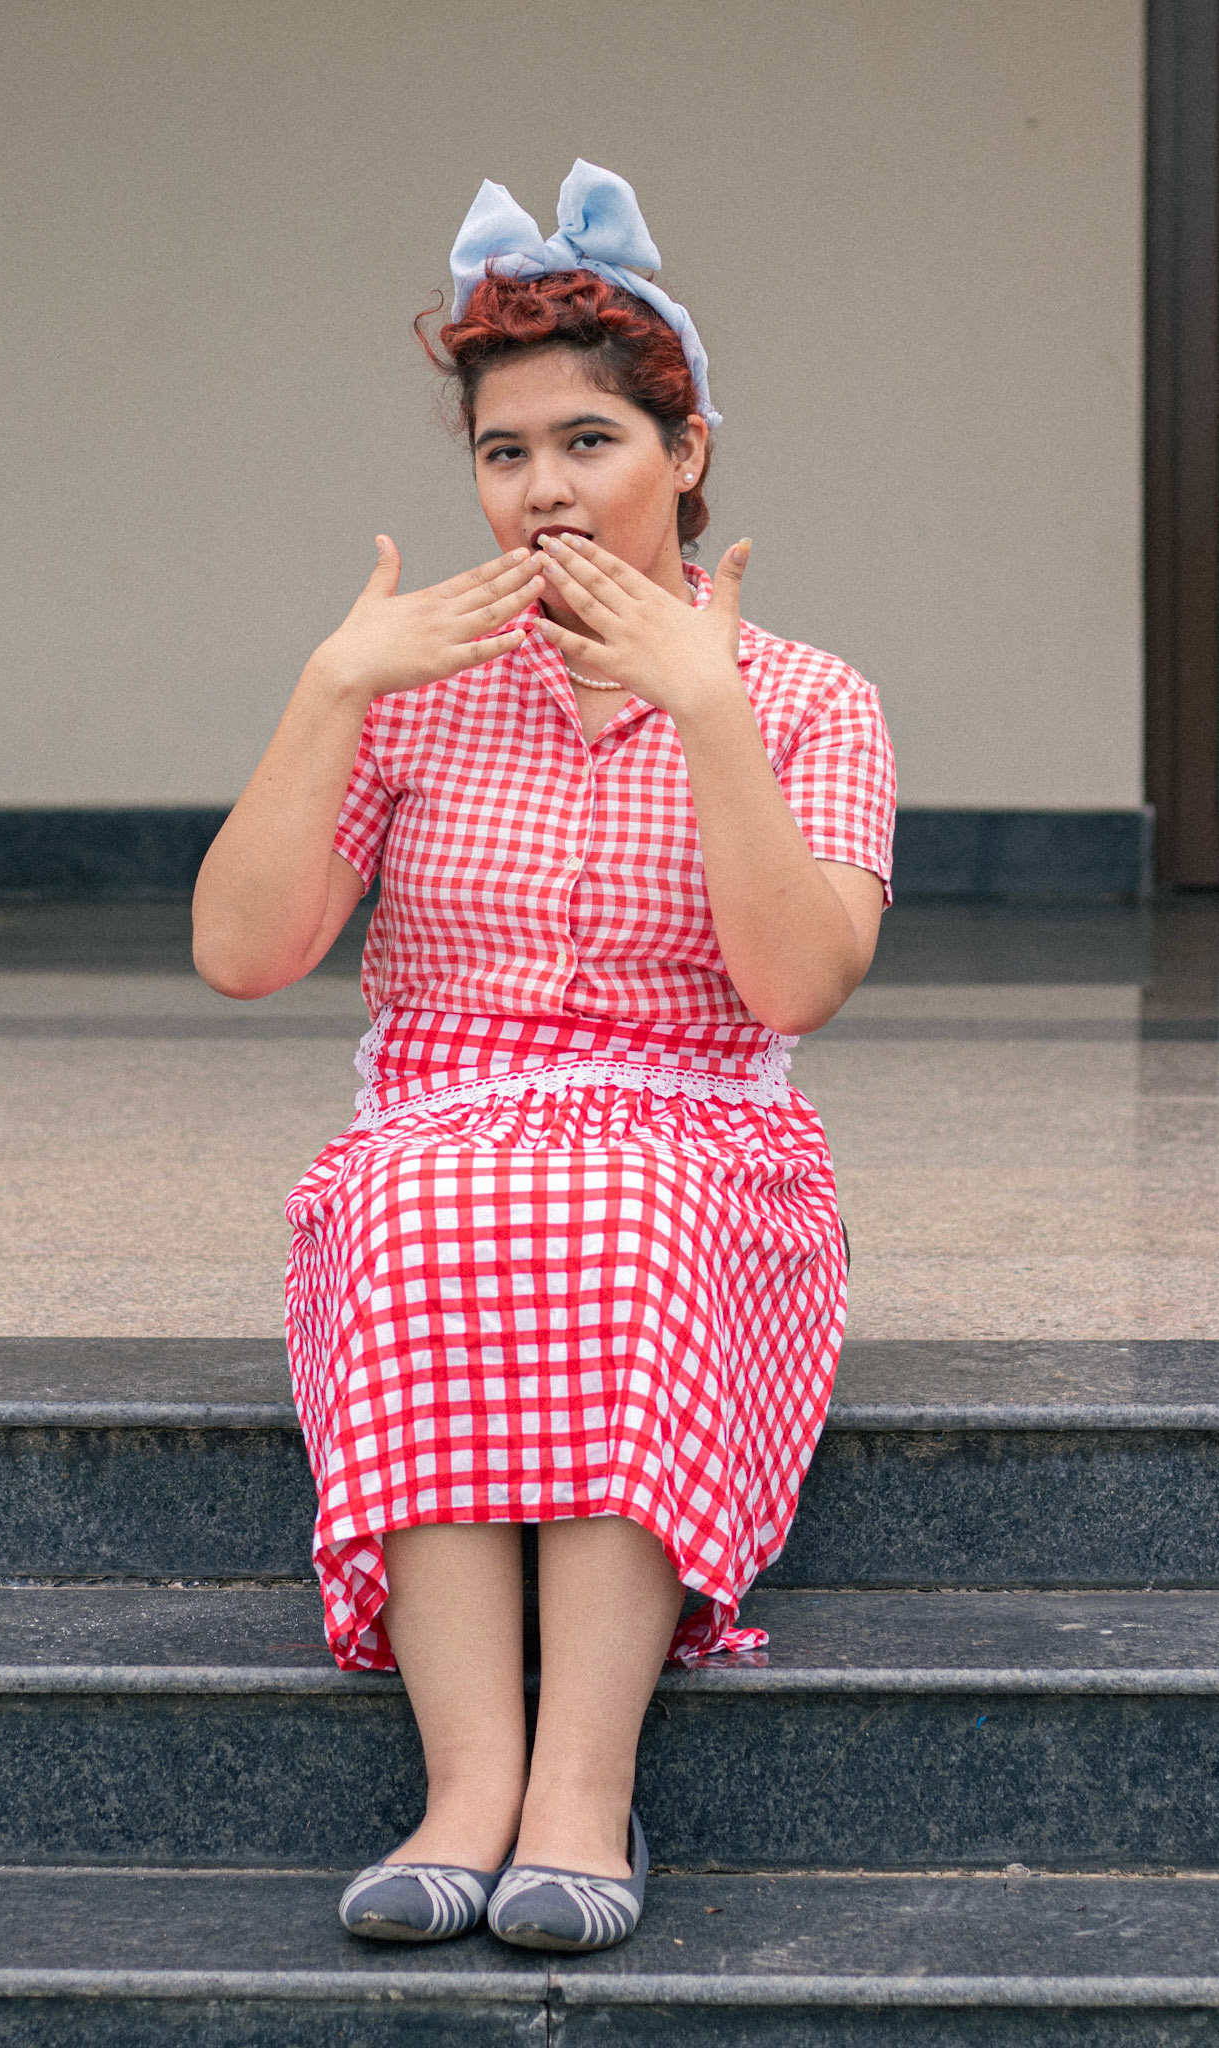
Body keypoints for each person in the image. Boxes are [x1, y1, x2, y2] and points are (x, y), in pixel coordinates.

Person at [192, 161, 895, 1953]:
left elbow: (798, 983)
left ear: (686, 448)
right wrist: (331, 685)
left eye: (590, 441)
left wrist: (706, 707)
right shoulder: (417, 683)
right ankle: (465, 1794)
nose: (544, 490)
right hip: (439, 1133)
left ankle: (583, 1795)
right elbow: (242, 954)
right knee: (426, 1205)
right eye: (505, 454)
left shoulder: (808, 698)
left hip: (704, 1149)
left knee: (624, 1211)